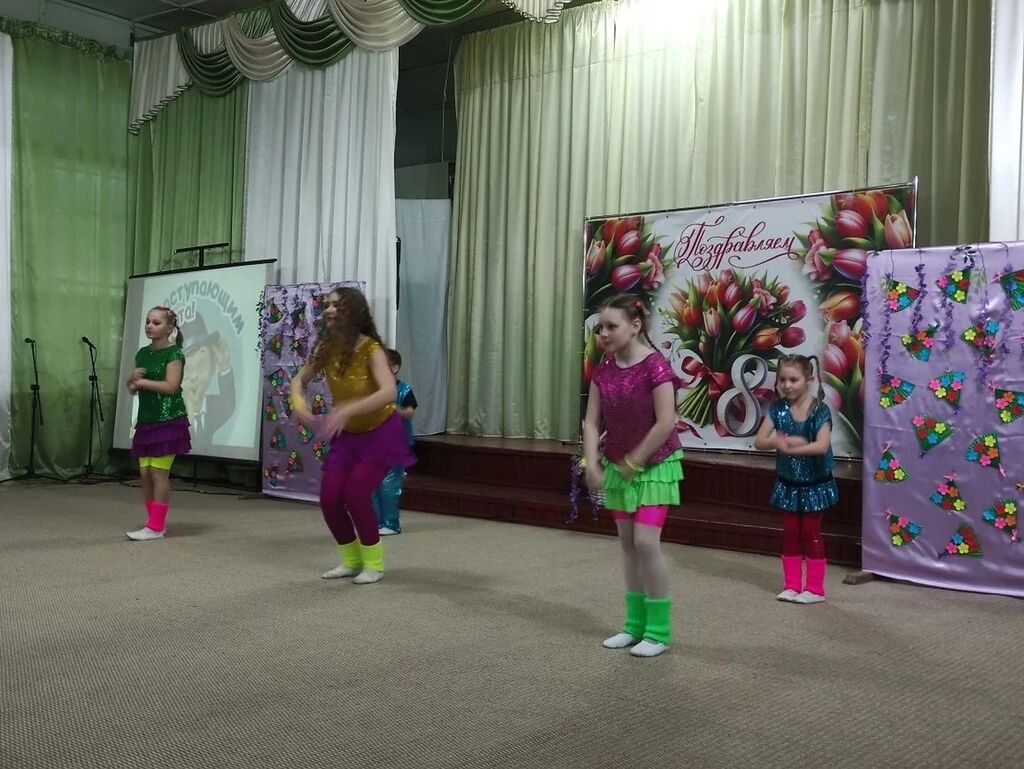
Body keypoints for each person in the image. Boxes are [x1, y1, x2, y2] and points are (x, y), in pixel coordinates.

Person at [290, 287, 414, 584]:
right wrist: (298, 403)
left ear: (354, 311)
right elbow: (298, 380)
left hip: (380, 434)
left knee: (356, 495)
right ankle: (351, 560)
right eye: (328, 305)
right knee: (330, 499)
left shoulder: (371, 349)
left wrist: (348, 409)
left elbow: (388, 392)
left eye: (337, 305)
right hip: (348, 436)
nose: (329, 310)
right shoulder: (326, 348)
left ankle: (374, 564)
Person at [583, 294, 683, 658]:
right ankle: (633, 625)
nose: (604, 334)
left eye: (612, 326)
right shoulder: (604, 368)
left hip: (656, 466)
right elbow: (591, 421)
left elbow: (666, 421)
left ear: (635, 326)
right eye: (600, 327)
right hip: (618, 465)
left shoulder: (655, 366)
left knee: (645, 543)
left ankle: (658, 631)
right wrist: (591, 462)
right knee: (627, 544)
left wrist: (635, 461)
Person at [754, 354, 838, 604]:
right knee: (790, 532)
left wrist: (794, 447)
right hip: (788, 482)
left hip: (815, 483)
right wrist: (780, 441)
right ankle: (791, 584)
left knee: (811, 532)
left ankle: (815, 588)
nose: (787, 385)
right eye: (782, 380)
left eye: (793, 380)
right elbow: (759, 441)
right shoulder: (778, 408)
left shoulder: (819, 410)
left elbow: (821, 446)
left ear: (809, 380)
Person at [125, 306, 192, 541]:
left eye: (156, 322)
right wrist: (133, 381)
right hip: (147, 420)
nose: (150, 326)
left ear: (169, 327)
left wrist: (143, 383)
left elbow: (171, 387)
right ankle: (154, 523)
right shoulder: (143, 353)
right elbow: (132, 388)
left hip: (169, 420)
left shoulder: (174, 354)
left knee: (158, 472)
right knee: (144, 473)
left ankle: (155, 527)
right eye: (148, 322)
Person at [372, 348, 417, 535]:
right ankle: (374, 522)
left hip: (396, 444)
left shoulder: (404, 390)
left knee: (389, 484)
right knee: (371, 484)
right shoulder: (374, 390)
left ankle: (391, 523)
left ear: (395, 368)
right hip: (374, 444)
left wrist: (392, 408)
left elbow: (410, 413)